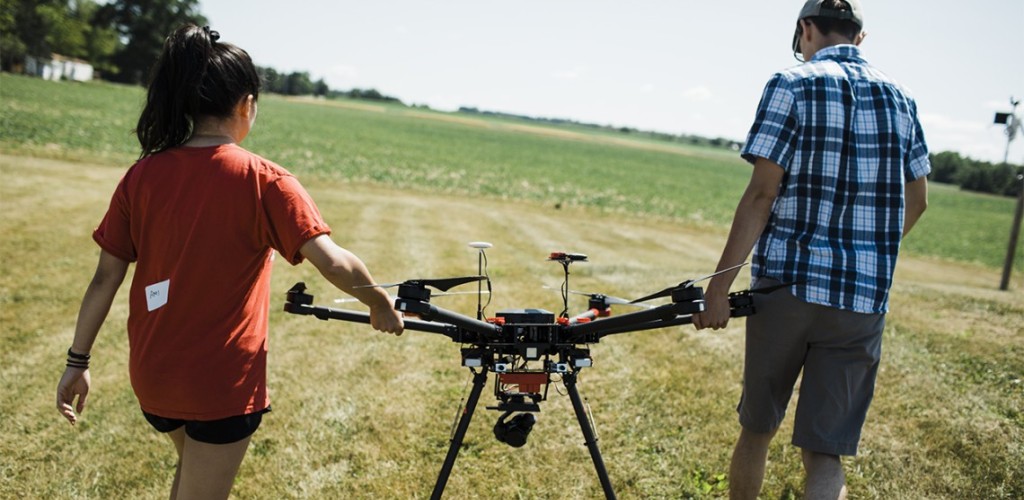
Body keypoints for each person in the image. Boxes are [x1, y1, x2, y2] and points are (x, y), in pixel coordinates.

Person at [55, 24, 404, 499]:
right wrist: (380, 302)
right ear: (246, 104)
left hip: (155, 378)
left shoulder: (142, 175)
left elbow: (104, 280)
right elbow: (334, 263)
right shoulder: (266, 180)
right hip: (219, 387)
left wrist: (78, 361)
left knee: (194, 476)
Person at [692, 1, 929, 498]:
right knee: (825, 454)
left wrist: (718, 288)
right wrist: (868, 251)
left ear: (805, 30)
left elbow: (762, 194)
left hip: (787, 289)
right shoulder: (902, 97)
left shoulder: (791, 82)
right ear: (859, 38)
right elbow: (918, 201)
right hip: (861, 302)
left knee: (757, 430)